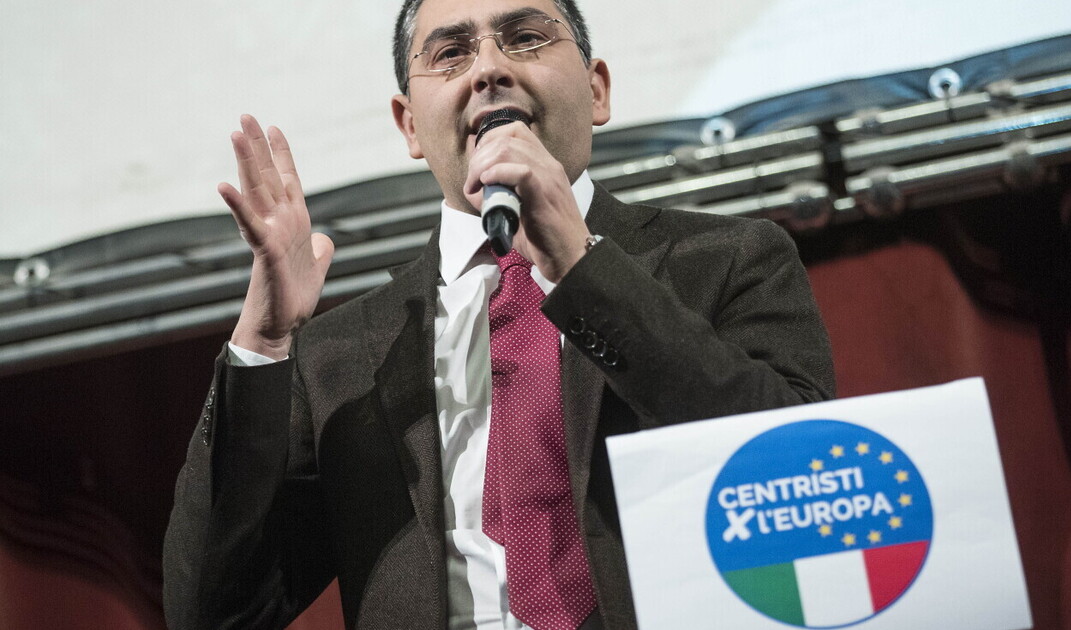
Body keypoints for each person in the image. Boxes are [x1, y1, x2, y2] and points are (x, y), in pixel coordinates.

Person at [162, 0, 835, 628]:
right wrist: (262, 340)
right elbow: (210, 611)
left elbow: (801, 480)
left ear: (597, 90)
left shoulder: (726, 260)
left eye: (526, 37)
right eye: (451, 53)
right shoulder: (341, 355)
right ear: (409, 126)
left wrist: (580, 265)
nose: (488, 69)